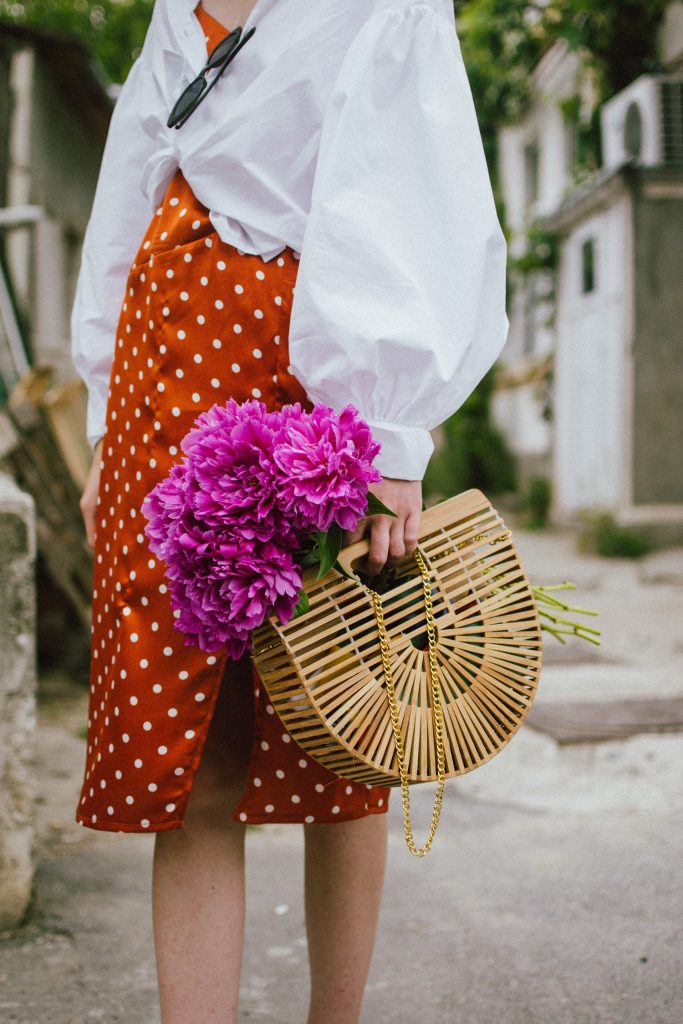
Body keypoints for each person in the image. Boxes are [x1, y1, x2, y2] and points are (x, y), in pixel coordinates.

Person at [71, 0, 508, 1021]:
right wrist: (104, 421)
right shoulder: (172, 13)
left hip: (308, 387)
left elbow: (410, 189)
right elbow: (121, 209)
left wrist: (392, 437)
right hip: (161, 387)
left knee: (341, 727)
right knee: (196, 759)